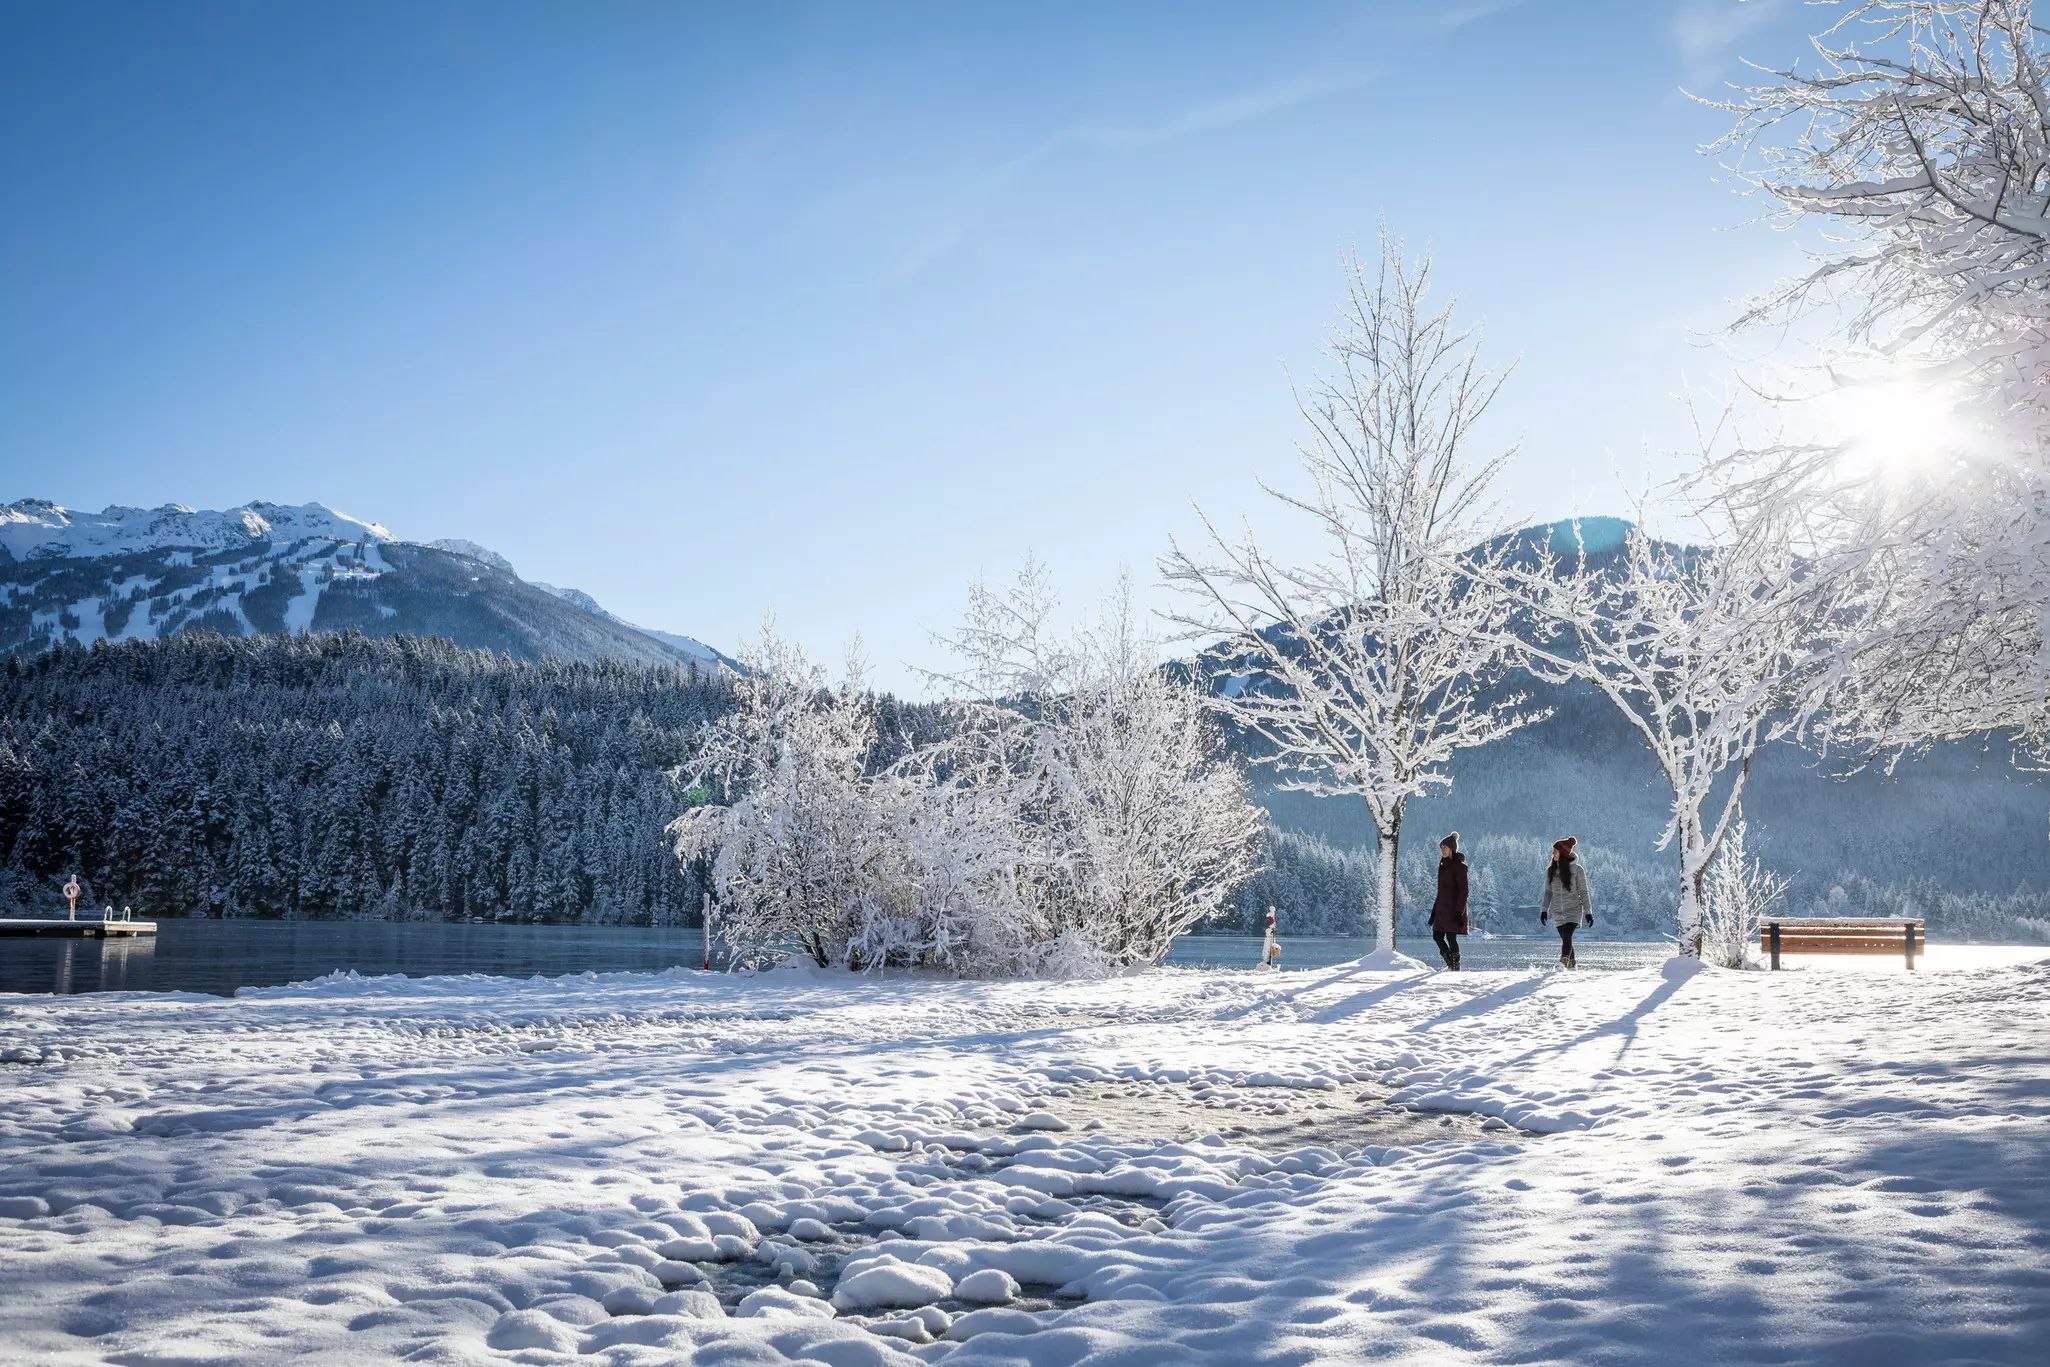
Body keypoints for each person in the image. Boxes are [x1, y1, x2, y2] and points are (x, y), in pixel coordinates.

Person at [1539, 836, 1594, 968]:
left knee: (1568, 933)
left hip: (1574, 910)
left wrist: (1588, 912)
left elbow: (1584, 892)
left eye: (1555, 852)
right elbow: (1548, 892)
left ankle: (1563, 962)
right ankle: (1572, 966)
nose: (1552, 854)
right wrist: (1544, 910)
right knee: (1566, 939)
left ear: (1562, 854)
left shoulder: (1578, 870)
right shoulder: (1551, 871)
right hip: (1557, 911)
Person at [1429, 832, 1470, 970]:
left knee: (1451, 938)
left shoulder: (1460, 867)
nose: (1442, 850)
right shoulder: (1442, 866)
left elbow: (1463, 891)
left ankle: (1455, 968)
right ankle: (1450, 964)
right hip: (1441, 910)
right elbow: (1441, 892)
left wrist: (1459, 911)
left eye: (1445, 847)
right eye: (1441, 848)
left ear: (1452, 848)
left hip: (1454, 909)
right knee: (1437, 936)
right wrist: (1433, 912)